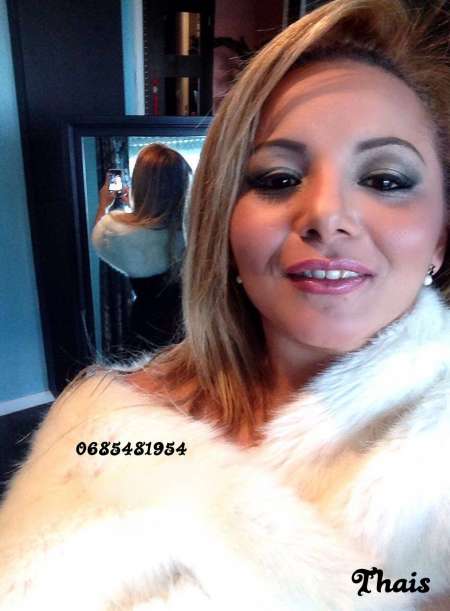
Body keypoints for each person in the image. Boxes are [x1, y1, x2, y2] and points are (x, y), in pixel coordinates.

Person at [1, 0, 449, 608]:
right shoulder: (101, 421)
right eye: (277, 179)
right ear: (224, 221)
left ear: (440, 236)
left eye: (385, 180)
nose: (326, 216)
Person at [92, 143, 192, 350]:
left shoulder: (119, 232)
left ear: (140, 185)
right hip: (191, 328)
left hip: (147, 330)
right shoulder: (197, 229)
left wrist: (104, 205)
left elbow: (101, 238)